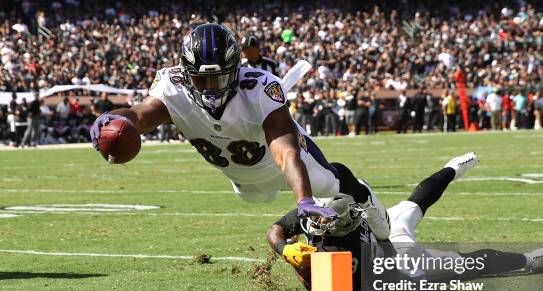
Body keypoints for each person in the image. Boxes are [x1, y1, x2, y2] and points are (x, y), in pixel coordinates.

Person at [89, 23, 390, 240]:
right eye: (201, 81)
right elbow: (138, 115)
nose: (209, 90)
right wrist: (109, 120)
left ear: (235, 71)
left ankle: (365, 198)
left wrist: (304, 200)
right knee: (256, 198)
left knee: (329, 184)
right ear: (186, 74)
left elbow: (285, 153)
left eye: (218, 80)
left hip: (281, 164)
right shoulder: (173, 88)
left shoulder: (259, 88)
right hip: (243, 179)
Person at [268, 153, 543, 291]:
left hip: (398, 255)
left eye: (330, 220)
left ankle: (453, 168)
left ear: (353, 215)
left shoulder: (356, 232)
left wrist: (303, 268)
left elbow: (384, 259)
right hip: (394, 259)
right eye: (320, 218)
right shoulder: (319, 212)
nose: (321, 224)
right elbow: (275, 230)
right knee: (460, 263)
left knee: (419, 204)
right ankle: (527, 260)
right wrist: (284, 249)